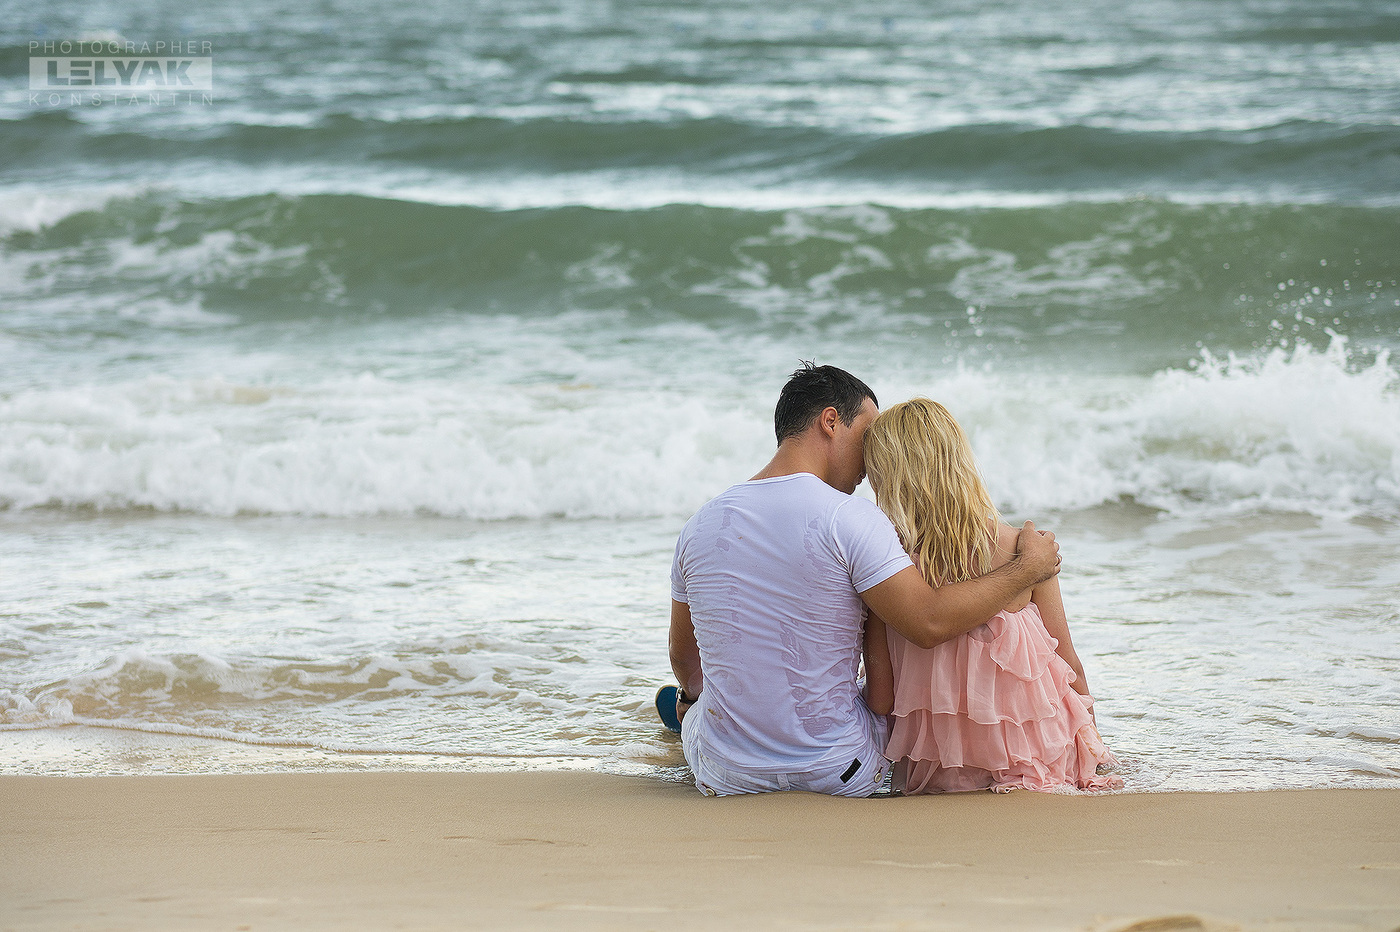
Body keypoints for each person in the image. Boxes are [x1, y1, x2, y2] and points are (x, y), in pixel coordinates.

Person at [660, 363, 1062, 796]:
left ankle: (683, 713)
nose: (871, 465)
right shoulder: (850, 518)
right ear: (830, 422)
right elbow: (927, 622)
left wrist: (698, 698)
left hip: (725, 774)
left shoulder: (699, 525)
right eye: (868, 437)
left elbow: (685, 659)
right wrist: (1026, 570)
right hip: (839, 771)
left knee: (693, 700)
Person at [861, 398, 1121, 794]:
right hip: (1042, 759)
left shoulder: (889, 569)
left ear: (888, 478)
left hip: (943, 773)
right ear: (958, 459)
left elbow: (881, 698)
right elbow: (1069, 663)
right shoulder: (1024, 548)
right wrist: (1095, 755)